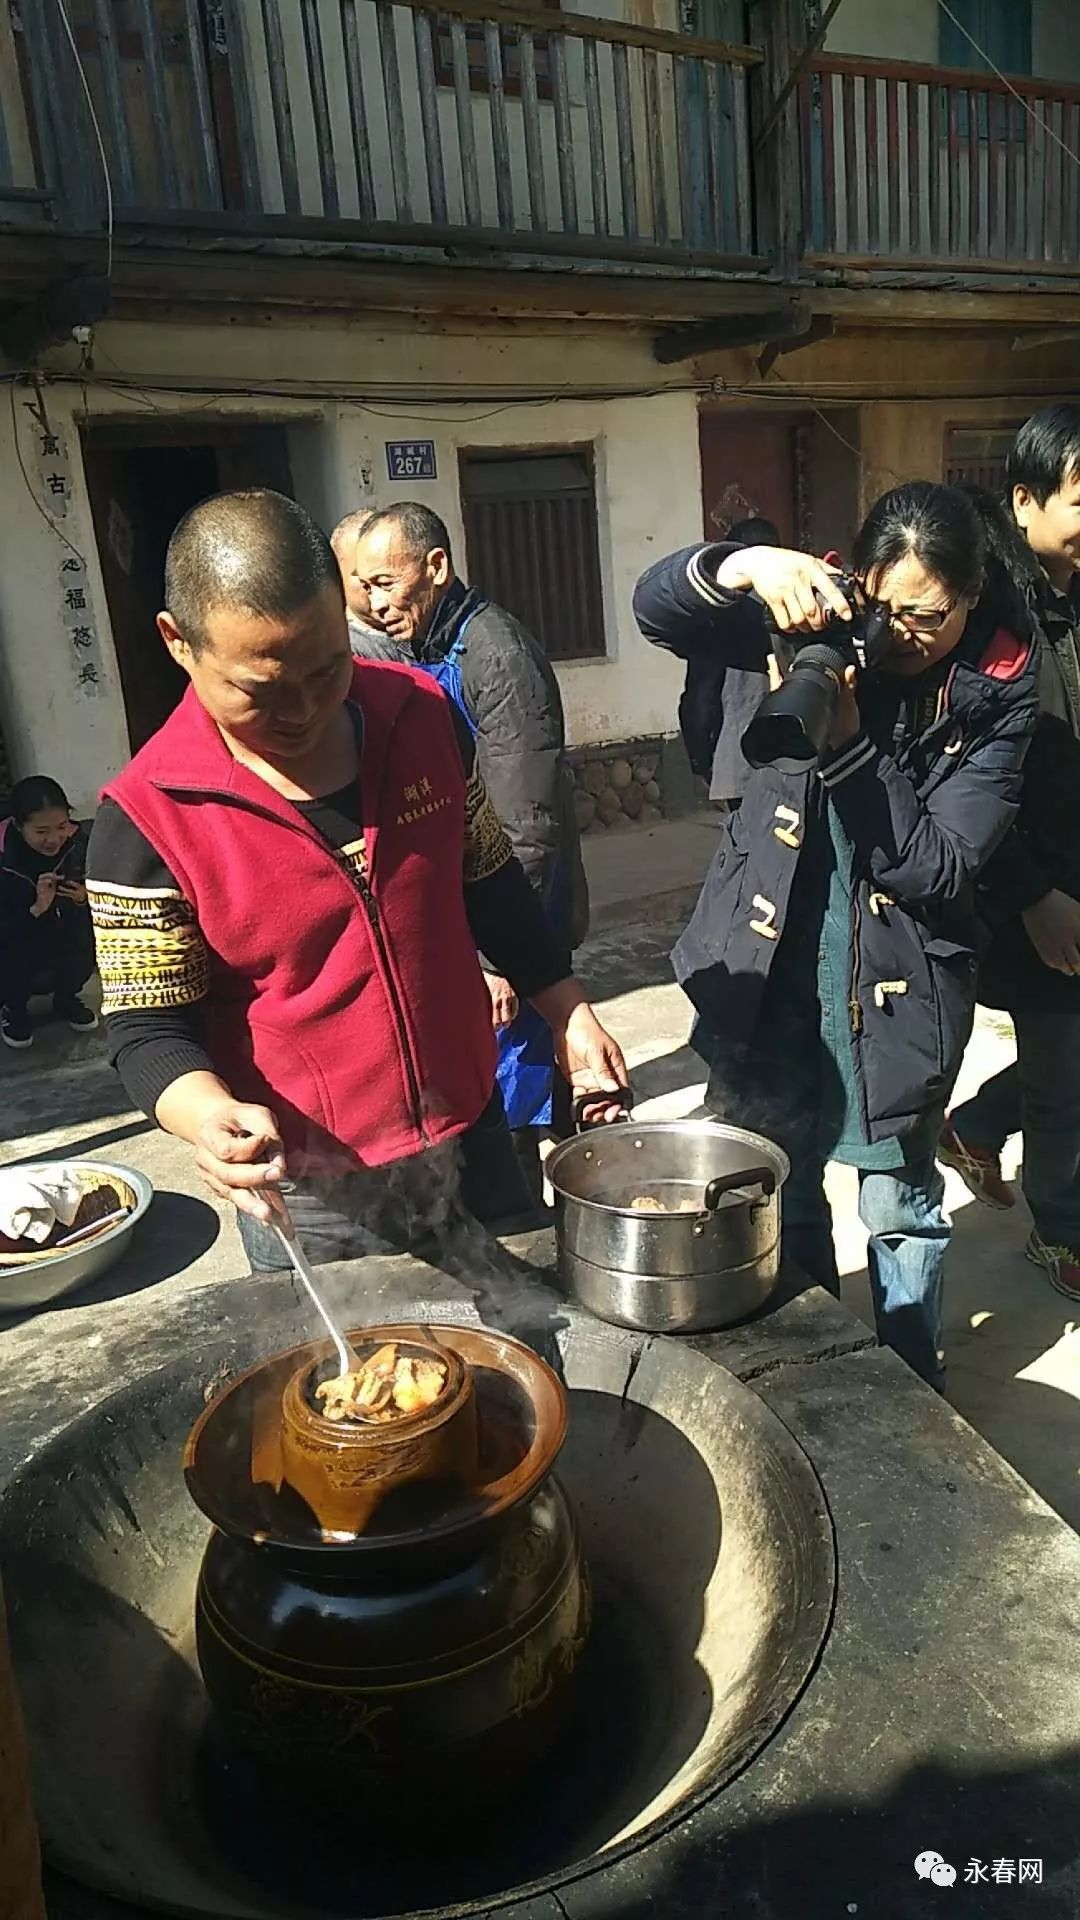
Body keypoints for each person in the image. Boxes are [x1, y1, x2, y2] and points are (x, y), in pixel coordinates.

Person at [85, 490, 626, 1272]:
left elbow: (488, 880)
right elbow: (147, 1030)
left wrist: (566, 1005)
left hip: (475, 1133)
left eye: (327, 666)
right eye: (261, 690)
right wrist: (204, 1114)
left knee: (527, 1357)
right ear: (179, 643)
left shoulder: (423, 717)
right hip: (314, 1192)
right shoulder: (148, 817)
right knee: (360, 1394)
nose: (305, 709)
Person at [634, 483, 1038, 1390]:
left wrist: (854, 750)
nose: (898, 635)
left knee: (900, 1204)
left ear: (971, 598)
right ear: (857, 577)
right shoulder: (822, 611)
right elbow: (656, 608)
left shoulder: (999, 689)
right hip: (772, 955)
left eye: (928, 617)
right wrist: (741, 566)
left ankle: (911, 1391)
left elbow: (938, 867)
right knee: (786, 1181)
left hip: (898, 981)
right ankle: (818, 1375)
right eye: (883, 606)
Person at [350, 502, 590, 1200]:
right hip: (472, 925)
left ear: (437, 567)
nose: (377, 603)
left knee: (516, 1104)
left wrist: (500, 960)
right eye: (365, 587)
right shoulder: (426, 647)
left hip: (514, 921)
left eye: (388, 582)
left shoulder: (497, 656)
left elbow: (528, 821)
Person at [939, 407, 1080, 1298]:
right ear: (1024, 500)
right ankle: (1062, 1231)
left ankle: (978, 1124)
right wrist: (1035, 893)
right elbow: (969, 771)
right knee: (1066, 1064)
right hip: (1027, 883)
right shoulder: (995, 607)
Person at [679, 515, 780, 808]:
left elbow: (700, 697)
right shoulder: (805, 606)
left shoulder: (718, 615)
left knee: (750, 846)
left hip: (740, 763)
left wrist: (701, 759)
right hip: (800, 757)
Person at [0, 776, 97, 1049]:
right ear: (19, 826)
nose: (53, 839)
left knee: (83, 947)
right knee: (13, 958)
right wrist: (35, 909)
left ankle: (66, 999)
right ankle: (14, 1009)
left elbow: (105, 894)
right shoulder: (4, 857)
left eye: (61, 826)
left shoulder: (80, 844)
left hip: (65, 932)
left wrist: (83, 898)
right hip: (16, 941)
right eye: (41, 831)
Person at [330, 508, 408, 663]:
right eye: (363, 579)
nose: (379, 594)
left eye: (385, 578)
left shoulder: (418, 626)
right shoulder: (348, 652)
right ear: (337, 576)